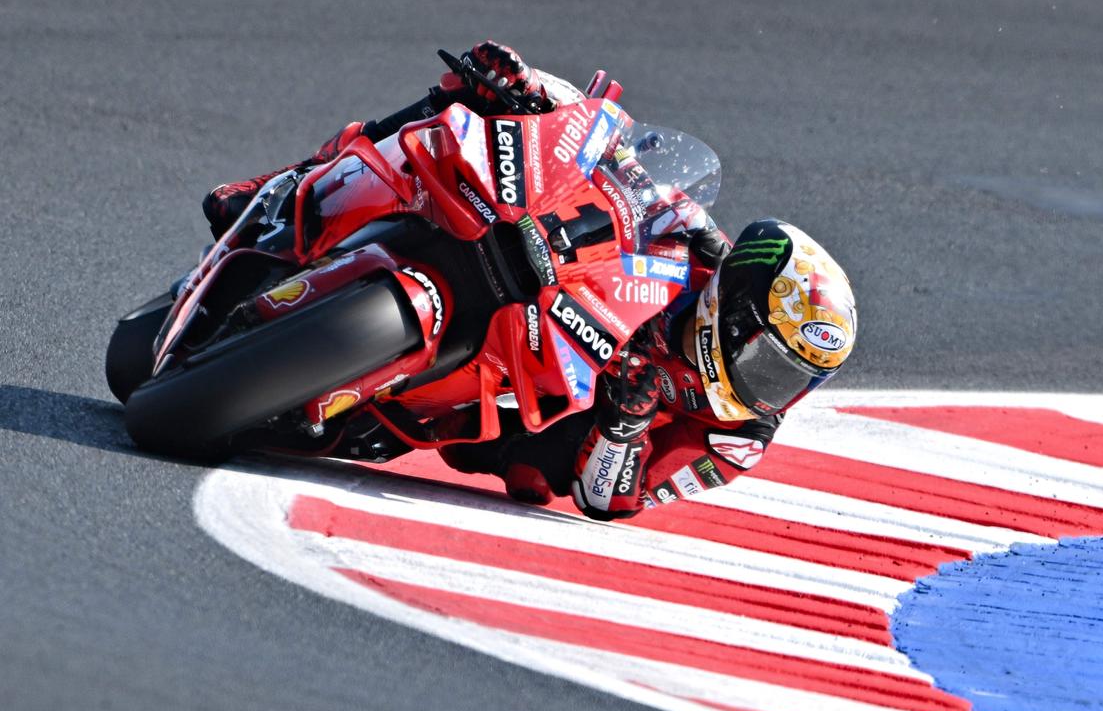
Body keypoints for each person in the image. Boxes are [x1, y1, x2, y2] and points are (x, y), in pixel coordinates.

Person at [203, 42, 858, 521]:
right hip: (544, 283)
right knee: (468, 101)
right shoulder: (697, 243)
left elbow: (614, 500)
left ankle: (383, 396)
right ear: (736, 308)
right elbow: (619, 156)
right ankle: (283, 188)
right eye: (770, 360)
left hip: (536, 417)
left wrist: (624, 425)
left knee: (485, 456)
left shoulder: (736, 438)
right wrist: (534, 87)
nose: (774, 387)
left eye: (793, 376)